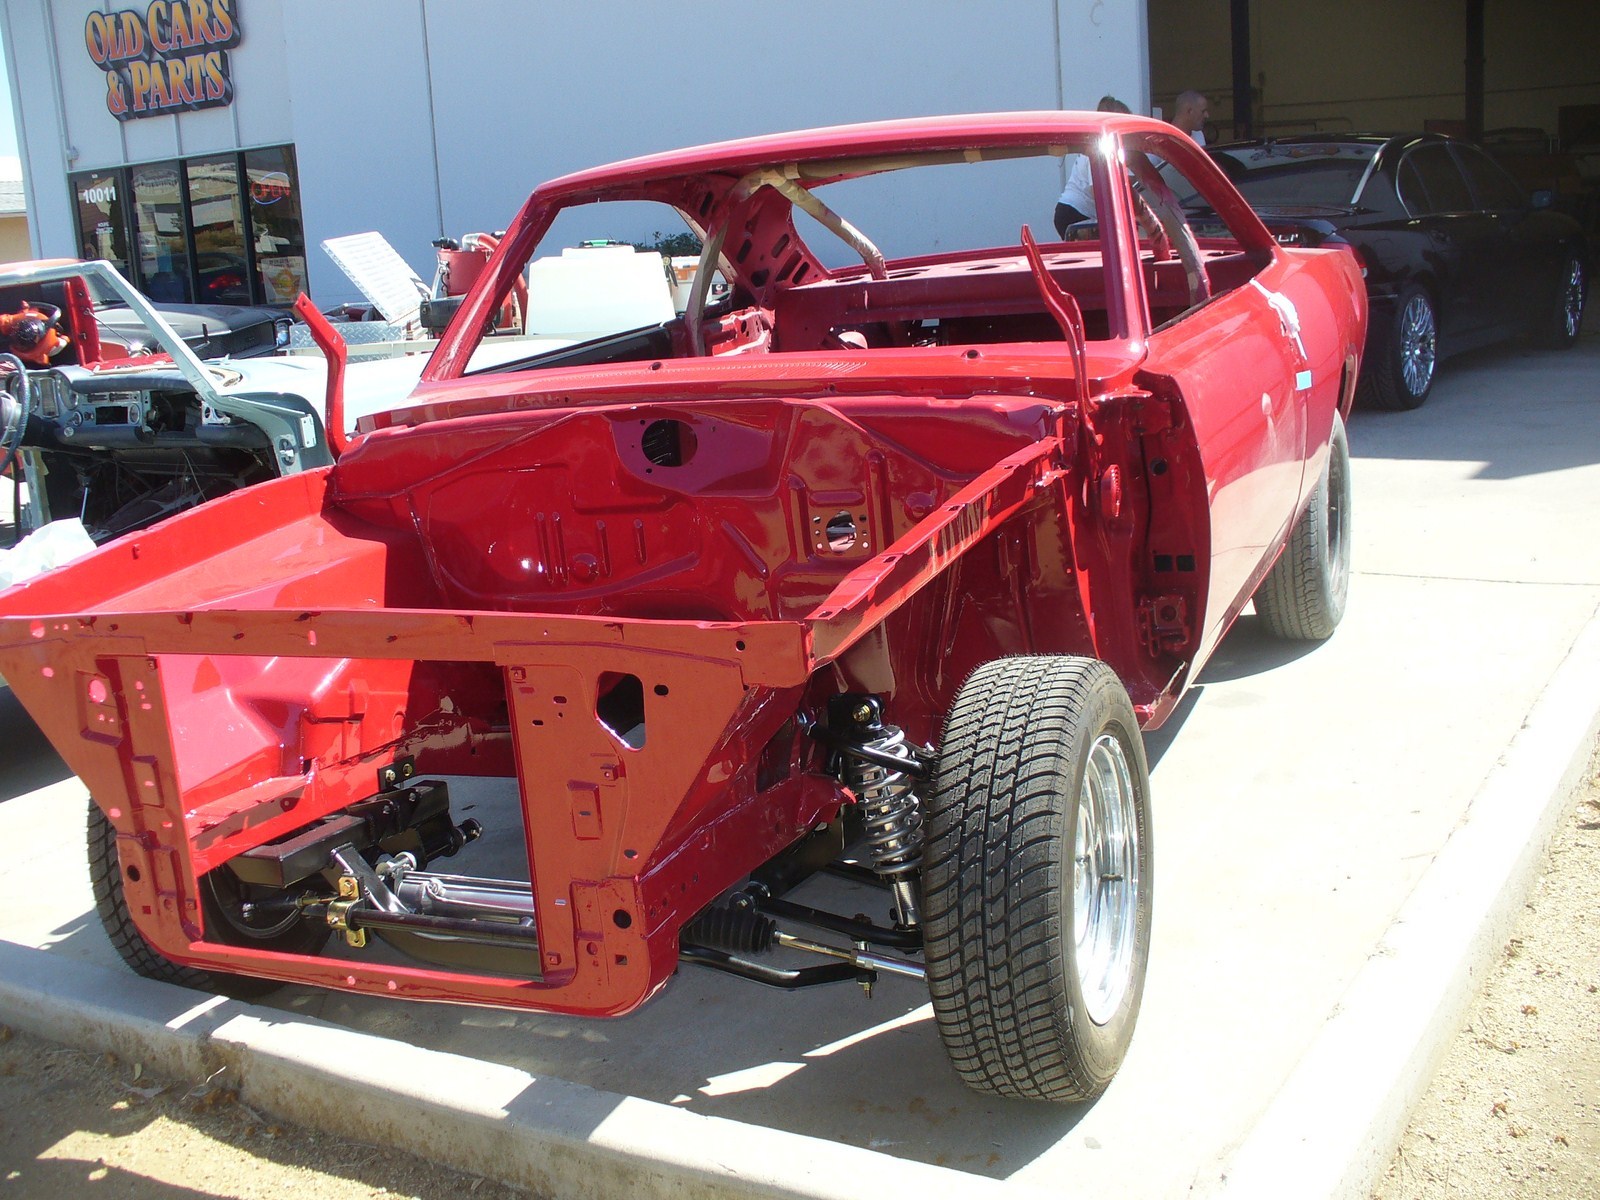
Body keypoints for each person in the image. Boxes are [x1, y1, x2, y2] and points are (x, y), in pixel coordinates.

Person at [1054, 95, 1131, 239]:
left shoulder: (1105, 147)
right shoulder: (1098, 148)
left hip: (1075, 211)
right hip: (1076, 213)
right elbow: (1098, 189)